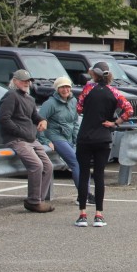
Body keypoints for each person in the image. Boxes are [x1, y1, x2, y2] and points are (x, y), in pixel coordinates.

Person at [75, 61, 133, 227]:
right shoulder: (114, 92)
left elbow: (79, 108)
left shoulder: (88, 89)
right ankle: (99, 215)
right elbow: (129, 109)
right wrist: (115, 122)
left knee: (84, 175)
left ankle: (82, 214)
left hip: (85, 136)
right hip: (103, 137)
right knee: (99, 175)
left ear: (94, 74)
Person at [0, 69, 54, 213]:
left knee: (48, 166)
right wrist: (21, 132)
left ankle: (39, 200)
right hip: (17, 139)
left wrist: (42, 120)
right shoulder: (11, 96)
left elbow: (34, 116)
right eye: (23, 81)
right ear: (15, 81)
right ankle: (34, 201)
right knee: (36, 165)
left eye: (28, 81)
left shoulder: (29, 98)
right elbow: (4, 119)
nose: (26, 83)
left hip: (31, 139)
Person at [38, 76, 92, 205]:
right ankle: (84, 196)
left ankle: (85, 195)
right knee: (76, 163)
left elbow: (75, 122)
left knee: (83, 163)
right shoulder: (50, 104)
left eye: (67, 87)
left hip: (69, 138)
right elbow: (38, 122)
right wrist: (44, 140)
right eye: (62, 87)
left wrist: (77, 138)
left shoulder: (73, 101)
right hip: (56, 137)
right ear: (57, 89)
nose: (65, 89)